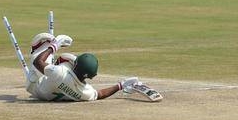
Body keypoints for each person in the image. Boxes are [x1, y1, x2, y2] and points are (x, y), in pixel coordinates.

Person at [25, 33, 163, 102]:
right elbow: (100, 94)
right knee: (65, 60)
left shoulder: (60, 72)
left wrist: (54, 45)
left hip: (36, 87)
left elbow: (39, 62)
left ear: (76, 66)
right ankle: (45, 67)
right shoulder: (86, 92)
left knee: (57, 52)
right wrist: (120, 85)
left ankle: (34, 71)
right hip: (51, 94)